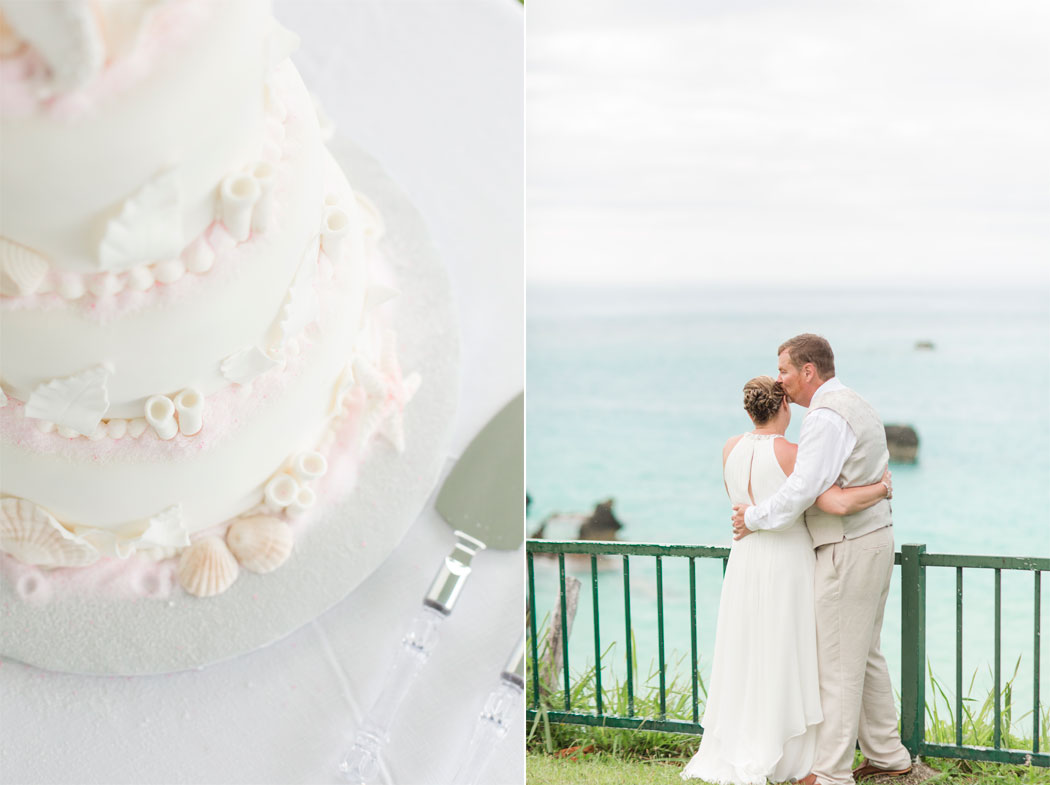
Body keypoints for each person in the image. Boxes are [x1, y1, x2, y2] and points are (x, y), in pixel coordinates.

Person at [682, 376, 891, 785]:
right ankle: (794, 752)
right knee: (791, 651)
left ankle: (743, 741)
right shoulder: (793, 453)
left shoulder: (729, 449)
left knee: (747, 650)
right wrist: (881, 486)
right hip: (789, 560)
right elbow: (829, 501)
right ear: (785, 408)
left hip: (745, 558)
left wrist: (751, 518)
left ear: (748, 410)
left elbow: (741, 502)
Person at [731, 334, 913, 785]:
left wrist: (753, 517)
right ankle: (889, 755)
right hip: (873, 539)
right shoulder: (853, 403)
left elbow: (804, 489)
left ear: (808, 371)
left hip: (848, 547)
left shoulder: (824, 419)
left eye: (785, 371)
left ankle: (830, 773)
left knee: (837, 665)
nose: (780, 379)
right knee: (864, 656)